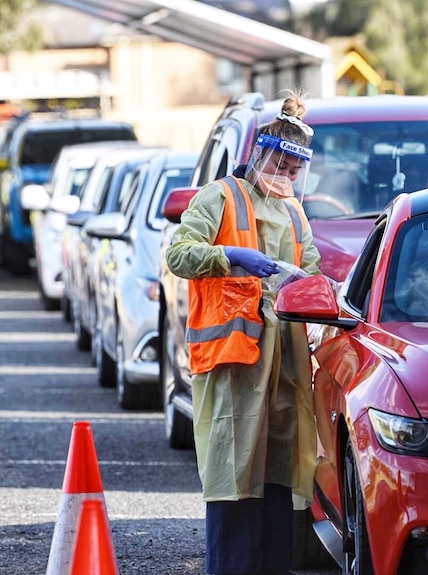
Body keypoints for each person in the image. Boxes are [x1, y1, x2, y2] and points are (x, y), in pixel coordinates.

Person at [165, 89, 323, 575]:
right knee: (234, 482)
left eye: (296, 172)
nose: (288, 177)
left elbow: (311, 274)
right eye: (282, 166)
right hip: (235, 366)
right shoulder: (222, 197)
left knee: (278, 483)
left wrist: (325, 299)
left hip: (285, 371)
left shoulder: (295, 214)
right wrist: (229, 257)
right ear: (260, 155)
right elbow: (179, 254)